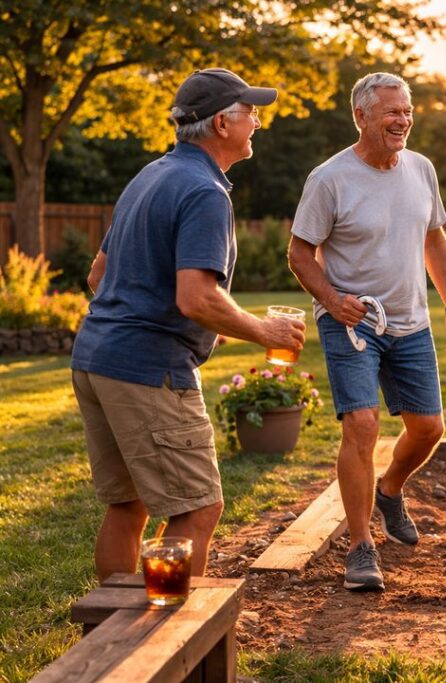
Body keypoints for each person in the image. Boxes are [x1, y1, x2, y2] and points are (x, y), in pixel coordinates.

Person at [70, 68, 306, 582]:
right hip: (149, 370)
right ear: (223, 123)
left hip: (95, 358)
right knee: (197, 509)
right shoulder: (205, 191)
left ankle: (113, 634)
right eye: (251, 113)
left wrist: (198, 319)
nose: (258, 122)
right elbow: (196, 296)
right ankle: (170, 643)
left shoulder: (151, 175)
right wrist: (261, 331)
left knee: (128, 505)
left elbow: (100, 274)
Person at [287, 72, 446, 592]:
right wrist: (329, 299)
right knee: (362, 426)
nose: (402, 120)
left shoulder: (421, 169)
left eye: (407, 110)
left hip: (410, 320)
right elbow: (299, 253)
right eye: (391, 111)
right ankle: (361, 545)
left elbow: (435, 241)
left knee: (429, 429)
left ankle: (390, 489)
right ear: (361, 116)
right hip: (352, 322)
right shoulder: (330, 179)